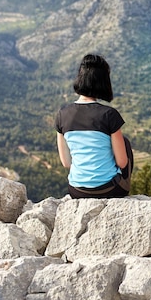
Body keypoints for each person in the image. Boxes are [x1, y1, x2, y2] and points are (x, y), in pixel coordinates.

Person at [55, 54, 134, 199]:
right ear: (103, 82)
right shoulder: (109, 115)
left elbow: (66, 163)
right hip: (110, 190)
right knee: (125, 142)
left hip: (76, 191)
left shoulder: (62, 115)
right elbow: (122, 162)